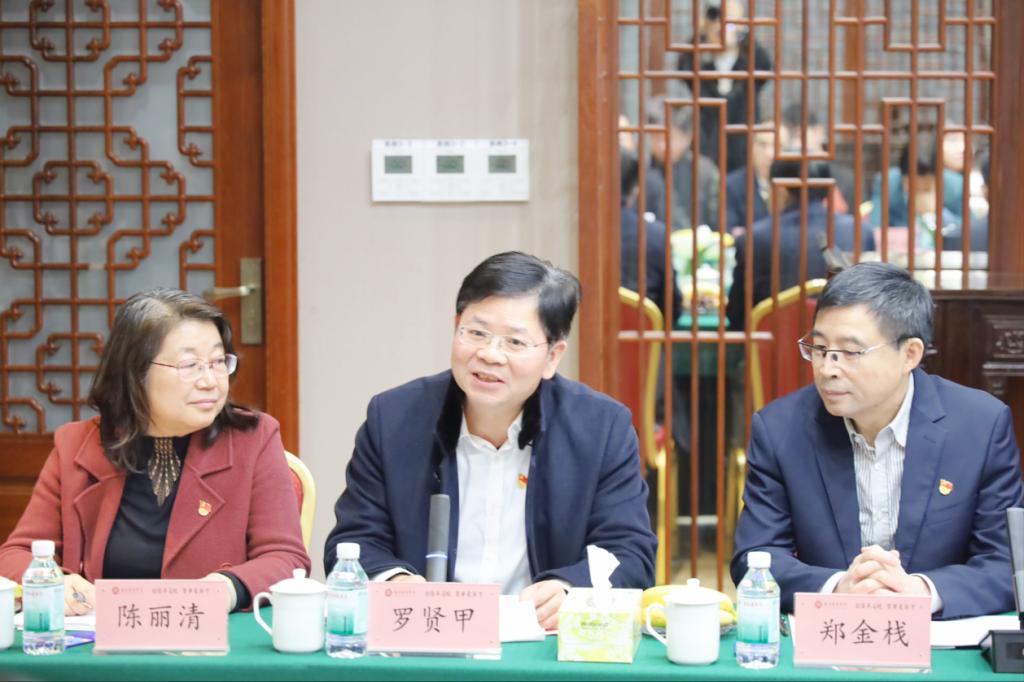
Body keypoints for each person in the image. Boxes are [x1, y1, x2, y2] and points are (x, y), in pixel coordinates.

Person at [324, 252, 657, 629]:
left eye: (514, 341)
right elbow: (354, 542)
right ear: (456, 328)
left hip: (542, 641)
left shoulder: (601, 428)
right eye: (476, 333)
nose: (489, 354)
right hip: (428, 637)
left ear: (552, 356)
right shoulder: (394, 419)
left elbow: (630, 553)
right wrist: (397, 583)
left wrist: (569, 588)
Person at [732, 262, 1024, 618]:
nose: (827, 369)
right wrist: (839, 588)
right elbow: (756, 557)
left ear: (910, 354)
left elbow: (1006, 562)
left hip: (938, 637)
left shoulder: (979, 426)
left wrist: (921, 592)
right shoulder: (781, 429)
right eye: (819, 348)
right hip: (832, 634)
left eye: (850, 352)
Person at [0, 289, 310, 614]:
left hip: (208, 639)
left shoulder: (254, 439)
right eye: (190, 365)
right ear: (136, 372)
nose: (210, 381)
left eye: (218, 362)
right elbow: (16, 554)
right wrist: (52, 582)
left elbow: (285, 558)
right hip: (101, 638)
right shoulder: (76, 445)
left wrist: (227, 588)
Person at [725, 158, 875, 331]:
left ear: (781, 190)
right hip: (842, 343)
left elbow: (737, 314)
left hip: (774, 345)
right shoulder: (859, 232)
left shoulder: (755, 237)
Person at [676, 1, 772, 172]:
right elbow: (683, 64)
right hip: (707, 157)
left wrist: (741, 25)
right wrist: (702, 30)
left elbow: (765, 64)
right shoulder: (701, 69)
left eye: (729, 24)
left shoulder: (749, 66)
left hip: (744, 157)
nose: (722, 29)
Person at [620, 149, 683, 318]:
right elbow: (672, 307)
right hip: (646, 332)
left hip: (588, 332)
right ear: (636, 190)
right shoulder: (656, 235)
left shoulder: (582, 235)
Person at [643, 98, 720, 231]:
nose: (662, 146)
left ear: (688, 136)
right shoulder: (641, 170)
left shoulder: (705, 171)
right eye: (655, 137)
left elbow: (718, 219)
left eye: (670, 138)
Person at [867, 132, 964, 234]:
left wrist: (938, 213)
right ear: (901, 175)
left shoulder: (956, 185)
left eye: (926, 188)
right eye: (913, 187)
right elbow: (876, 227)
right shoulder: (887, 183)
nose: (919, 192)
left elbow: (967, 229)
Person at [723, 128, 782, 235]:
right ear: (750, 147)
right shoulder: (732, 185)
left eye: (778, 145)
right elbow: (728, 230)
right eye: (762, 145)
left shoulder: (797, 185)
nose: (769, 153)